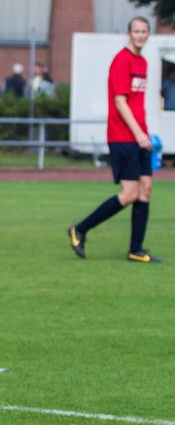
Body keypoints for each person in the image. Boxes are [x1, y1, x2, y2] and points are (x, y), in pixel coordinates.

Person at [68, 16, 160, 263]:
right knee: (129, 193)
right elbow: (120, 102)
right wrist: (138, 133)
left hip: (140, 136)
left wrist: (145, 132)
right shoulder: (122, 60)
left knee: (146, 190)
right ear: (128, 33)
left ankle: (136, 250)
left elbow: (137, 103)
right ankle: (80, 229)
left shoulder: (142, 61)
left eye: (144, 31)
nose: (140, 35)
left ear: (148, 34)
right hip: (123, 137)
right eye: (136, 31)